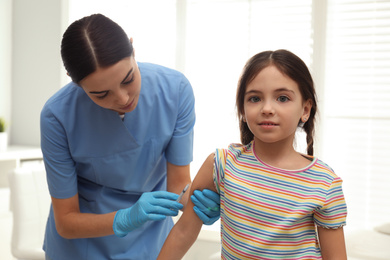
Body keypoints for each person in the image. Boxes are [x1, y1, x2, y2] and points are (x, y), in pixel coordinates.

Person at [40, 13, 219, 260]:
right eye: (101, 94)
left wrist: (198, 202)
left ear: (133, 50)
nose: (123, 99)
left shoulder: (175, 91)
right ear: (76, 84)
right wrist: (125, 218)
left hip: (150, 239)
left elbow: (178, 185)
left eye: (128, 79)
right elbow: (66, 221)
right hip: (82, 246)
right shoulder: (57, 116)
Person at [157, 49, 348, 259]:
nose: (267, 108)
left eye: (282, 98)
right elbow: (183, 232)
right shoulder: (221, 164)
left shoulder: (324, 182)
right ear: (243, 110)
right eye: (255, 98)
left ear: (305, 109)